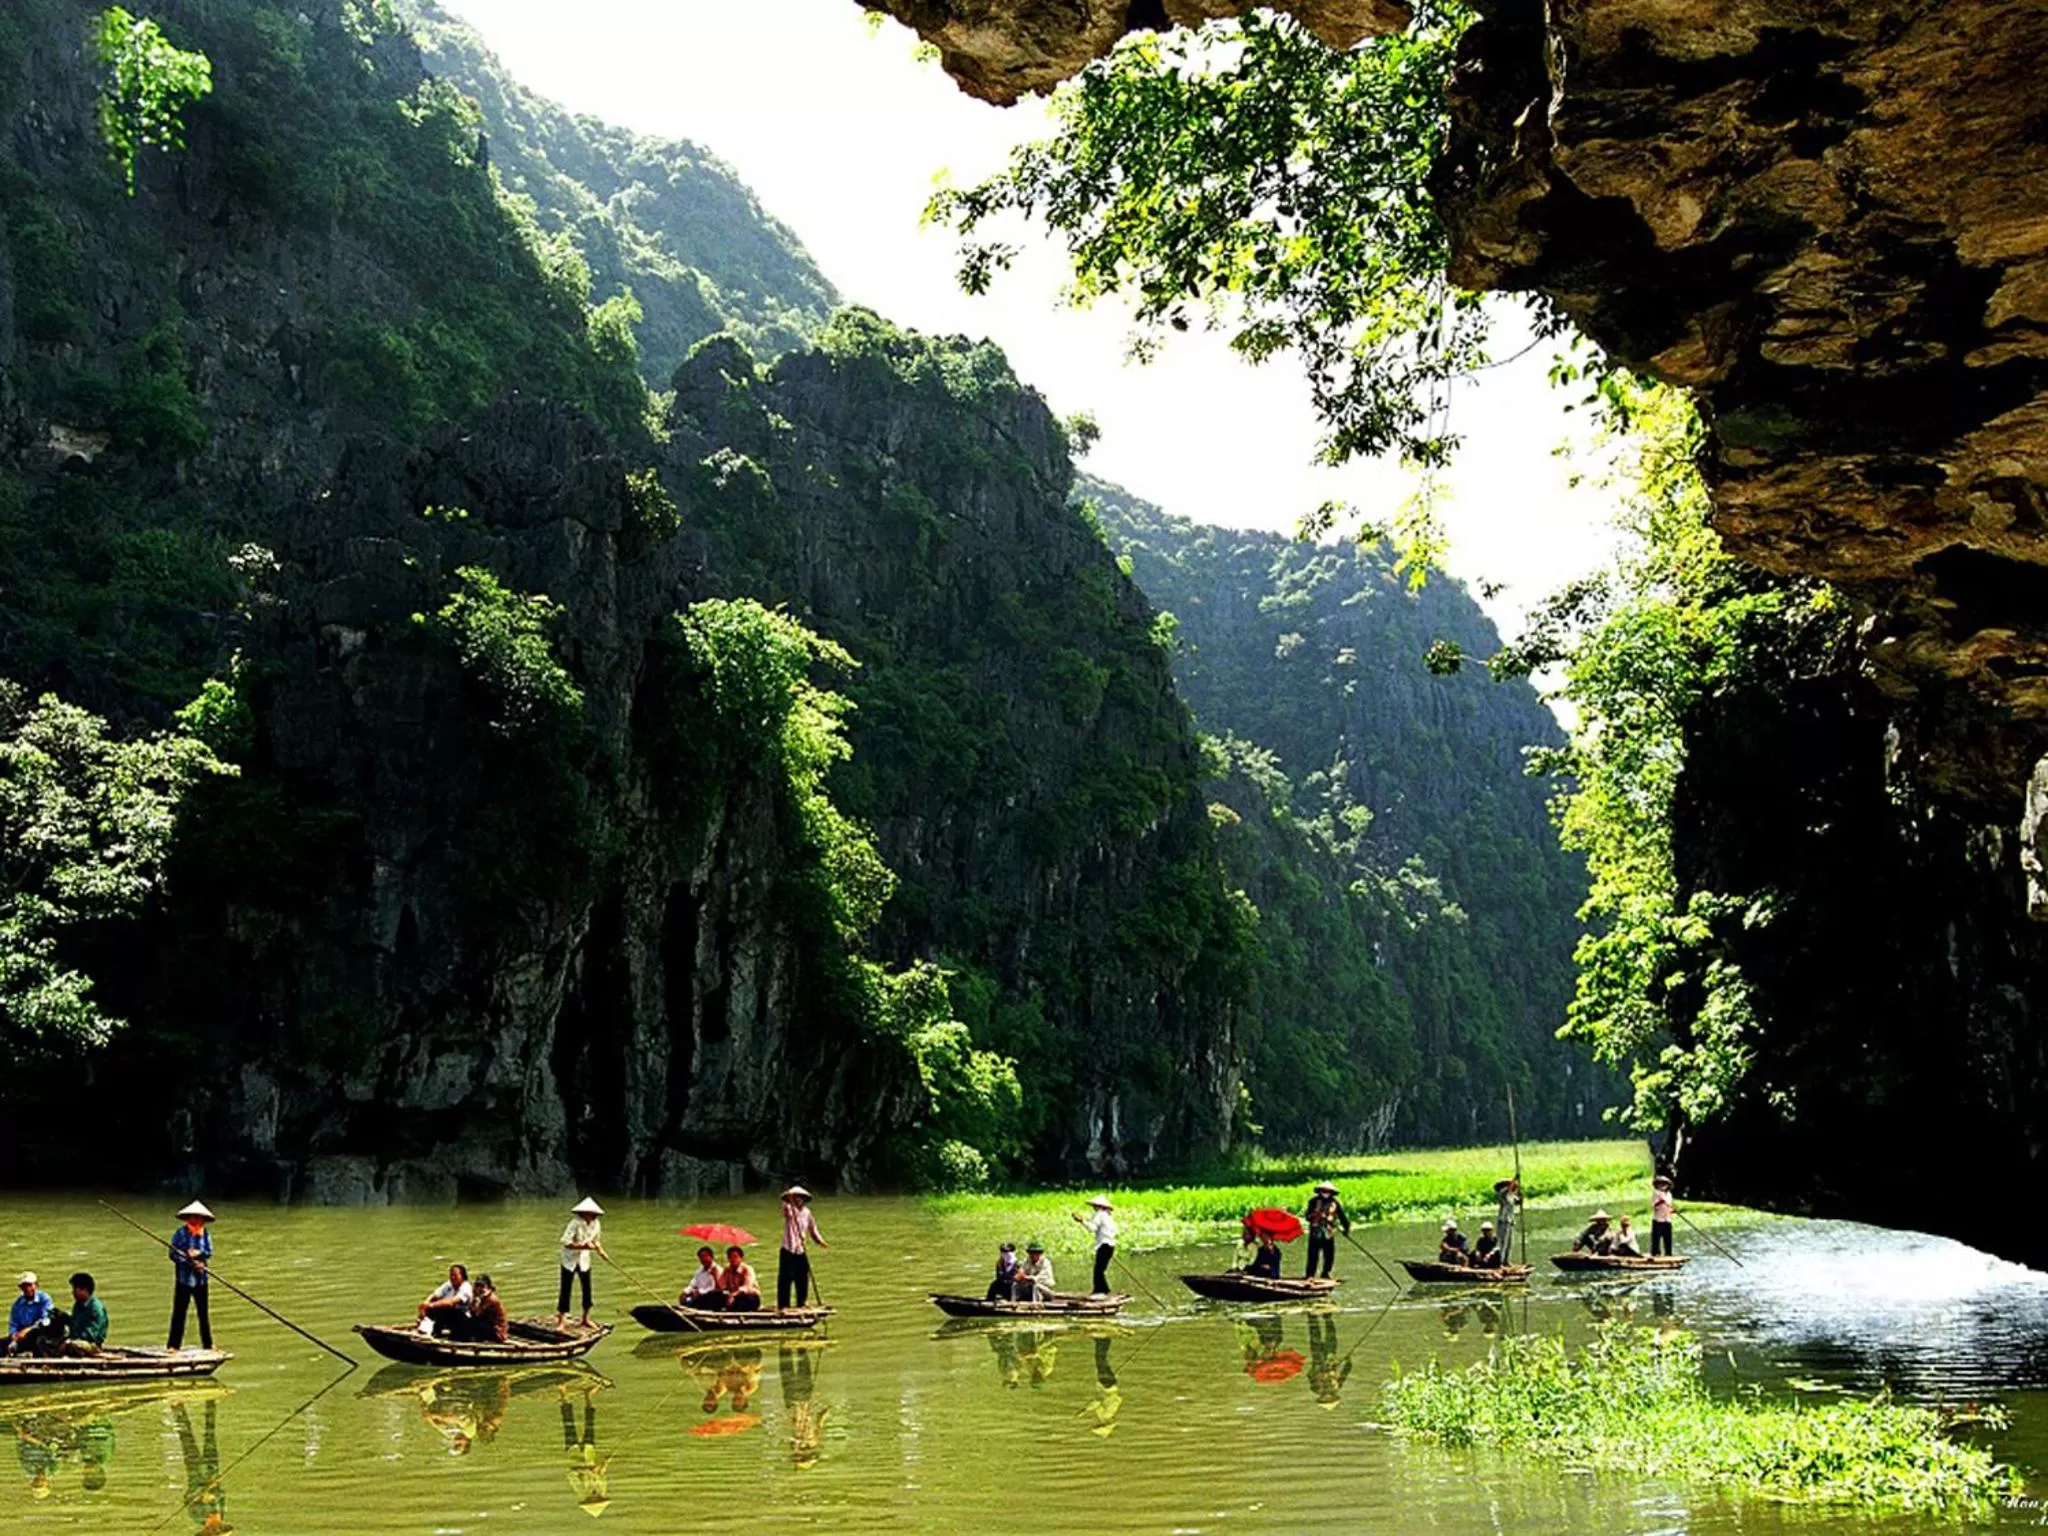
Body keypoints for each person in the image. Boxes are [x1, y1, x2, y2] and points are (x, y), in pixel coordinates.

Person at [167, 1201, 214, 1351]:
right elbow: (173, 1254)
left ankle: (208, 1344)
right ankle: (173, 1345)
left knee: (203, 1313)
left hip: (201, 1280)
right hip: (184, 1279)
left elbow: (208, 1252)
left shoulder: (205, 1235)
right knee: (179, 1312)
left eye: (200, 1218)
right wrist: (188, 1260)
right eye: (194, 1217)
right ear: (189, 1218)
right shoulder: (180, 1234)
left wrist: (199, 1257)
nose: (197, 1220)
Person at [555, 1197, 606, 1330]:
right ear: (583, 1213)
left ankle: (586, 1318)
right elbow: (565, 1242)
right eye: (589, 1213)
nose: (592, 1216)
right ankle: (561, 1321)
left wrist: (601, 1251)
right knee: (565, 1289)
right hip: (569, 1260)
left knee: (587, 1289)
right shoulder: (575, 1223)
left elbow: (596, 1241)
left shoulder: (596, 1224)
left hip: (584, 1260)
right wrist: (583, 1246)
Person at [778, 1186, 828, 1310]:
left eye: (800, 1197)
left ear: (804, 1199)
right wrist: (787, 1198)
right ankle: (783, 1305)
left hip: (800, 1249)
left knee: (802, 1277)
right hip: (788, 1249)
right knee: (786, 1278)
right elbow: (784, 1209)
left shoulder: (807, 1212)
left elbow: (813, 1229)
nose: (798, 1199)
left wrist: (820, 1241)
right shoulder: (790, 1209)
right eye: (796, 1197)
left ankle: (801, 1302)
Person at [1303, 1181, 1350, 1280]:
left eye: (1328, 1191)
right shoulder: (1313, 1201)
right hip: (1315, 1231)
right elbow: (1307, 1216)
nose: (1325, 1193)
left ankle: (1326, 1273)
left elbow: (1342, 1216)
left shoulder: (1335, 1203)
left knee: (1329, 1255)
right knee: (1313, 1255)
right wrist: (1315, 1215)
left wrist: (1346, 1228)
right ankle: (1310, 1275)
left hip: (1328, 1232)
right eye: (1324, 1191)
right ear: (1320, 1191)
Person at [1072, 1197, 1117, 1294]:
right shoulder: (1108, 1217)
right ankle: (1101, 1289)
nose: (1093, 1207)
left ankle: (1102, 1290)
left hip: (1104, 1245)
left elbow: (1092, 1228)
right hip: (1110, 1245)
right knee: (1100, 1269)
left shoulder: (1100, 1214)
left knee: (1098, 1270)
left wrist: (1081, 1221)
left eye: (1095, 1206)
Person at [7, 1274, 58, 1356]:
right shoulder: (18, 1304)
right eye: (24, 1286)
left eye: (30, 1285)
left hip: (40, 1333)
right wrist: (14, 1335)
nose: (27, 1289)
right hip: (22, 1336)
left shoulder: (44, 1299)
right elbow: (13, 1323)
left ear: (36, 1285)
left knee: (38, 1336)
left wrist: (28, 1330)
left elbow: (45, 1320)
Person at [450, 1274, 508, 1343]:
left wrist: (477, 1300)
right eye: (477, 1285)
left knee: (471, 1323)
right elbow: (471, 1311)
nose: (479, 1288)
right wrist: (474, 1298)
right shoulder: (479, 1295)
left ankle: (464, 1340)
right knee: (460, 1315)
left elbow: (477, 1314)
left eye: (482, 1286)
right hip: (487, 1324)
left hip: (497, 1332)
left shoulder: (491, 1299)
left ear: (488, 1287)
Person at [62, 1273, 107, 1357]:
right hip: (76, 1340)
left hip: (92, 1345)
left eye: (75, 1289)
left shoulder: (95, 1308)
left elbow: (92, 1334)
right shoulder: (78, 1305)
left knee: (74, 1345)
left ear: (85, 1290)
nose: (73, 1292)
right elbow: (74, 1324)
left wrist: (74, 1338)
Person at [417, 1264, 472, 1332]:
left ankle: (431, 1330)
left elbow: (451, 1303)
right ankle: (425, 1328)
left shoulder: (466, 1288)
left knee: (440, 1308)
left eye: (455, 1275)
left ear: (462, 1276)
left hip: (462, 1317)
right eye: (451, 1275)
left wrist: (430, 1305)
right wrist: (425, 1304)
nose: (452, 1277)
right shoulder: (449, 1284)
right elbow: (435, 1295)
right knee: (432, 1307)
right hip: (449, 1314)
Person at [718, 1246, 762, 1312]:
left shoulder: (747, 1269)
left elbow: (746, 1287)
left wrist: (733, 1295)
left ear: (741, 1258)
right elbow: (721, 1285)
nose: (733, 1259)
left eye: (735, 1257)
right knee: (717, 1297)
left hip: (749, 1297)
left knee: (741, 1302)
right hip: (733, 1296)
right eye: (730, 1257)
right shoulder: (727, 1270)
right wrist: (727, 1294)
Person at [1493, 1177, 1522, 1261]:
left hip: (1510, 1221)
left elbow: (1518, 1201)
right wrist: (1515, 1178)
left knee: (1509, 1242)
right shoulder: (1501, 1194)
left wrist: (1520, 1196)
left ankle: (1506, 1260)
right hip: (1503, 1220)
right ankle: (1501, 1260)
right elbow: (1508, 1188)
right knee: (1503, 1242)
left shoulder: (1511, 1196)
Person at [1651, 1174, 1677, 1257]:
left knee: (1668, 1239)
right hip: (1658, 1220)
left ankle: (1668, 1253)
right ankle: (1655, 1254)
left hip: (1667, 1220)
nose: (1662, 1185)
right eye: (1660, 1184)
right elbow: (1653, 1206)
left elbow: (1669, 1206)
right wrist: (1659, 1202)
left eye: (1664, 1184)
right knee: (1656, 1239)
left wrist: (1673, 1210)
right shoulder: (1656, 1193)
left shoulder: (1669, 1195)